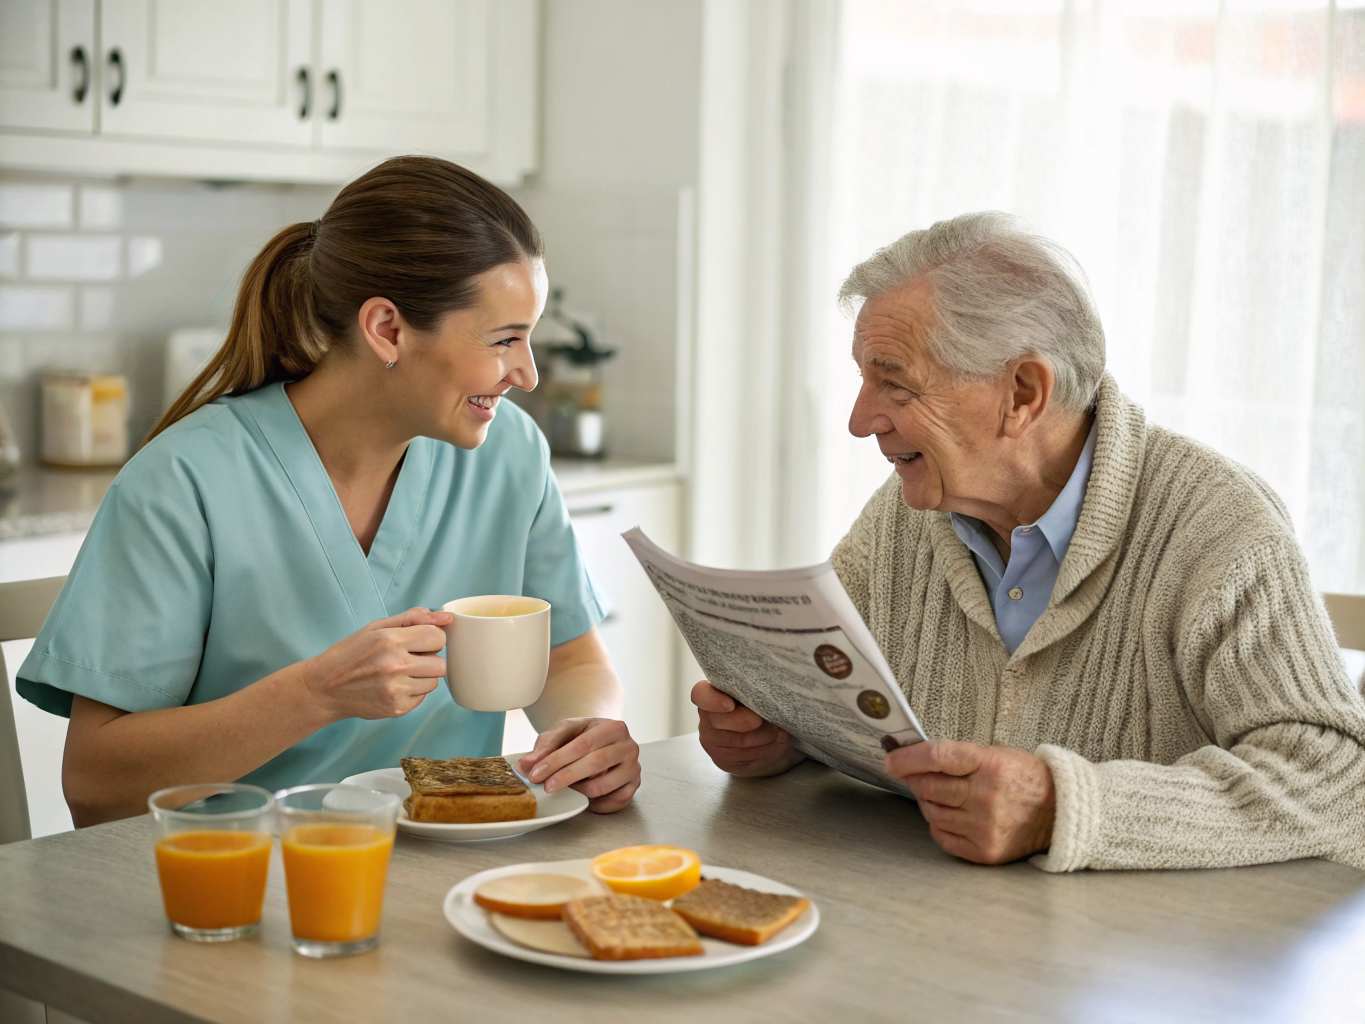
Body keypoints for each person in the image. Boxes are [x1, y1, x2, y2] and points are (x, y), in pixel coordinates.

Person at [693, 211, 1365, 872]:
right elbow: (849, 708)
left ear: (1022, 392)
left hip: (1153, 962)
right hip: (948, 933)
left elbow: (1338, 781)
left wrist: (1066, 808)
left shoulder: (1218, 528)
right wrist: (781, 738)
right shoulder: (902, 520)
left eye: (894, 384)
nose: (859, 419)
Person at [18, 156, 640, 826]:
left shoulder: (508, 452)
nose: (527, 372)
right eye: (503, 339)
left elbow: (567, 654)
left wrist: (588, 733)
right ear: (387, 330)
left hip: (453, 873)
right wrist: (315, 692)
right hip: (244, 884)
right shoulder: (182, 481)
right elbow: (94, 784)